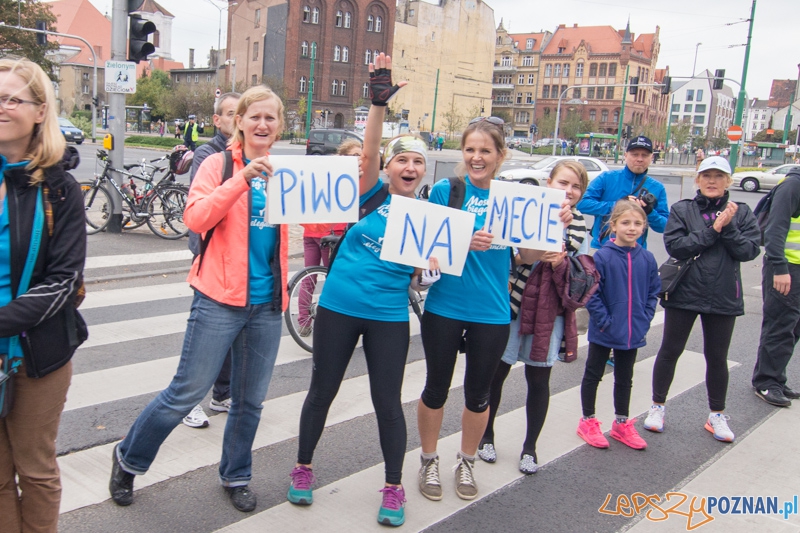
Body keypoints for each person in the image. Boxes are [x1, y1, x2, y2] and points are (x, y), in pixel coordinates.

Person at [109, 86, 289, 513]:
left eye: (271, 118)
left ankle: (236, 475)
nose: (262, 125)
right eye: (254, 117)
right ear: (240, 122)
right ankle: (128, 460)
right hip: (218, 299)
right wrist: (240, 180)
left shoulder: (286, 173)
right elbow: (196, 218)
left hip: (266, 305)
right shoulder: (217, 163)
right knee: (185, 393)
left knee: (249, 401)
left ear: (280, 126)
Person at [286, 53, 437, 527]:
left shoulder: (433, 219)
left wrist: (428, 269)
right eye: (402, 160)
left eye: (417, 161)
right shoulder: (371, 195)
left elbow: (421, 279)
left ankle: (393, 487)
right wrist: (378, 105)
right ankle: (304, 467)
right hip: (339, 306)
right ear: (390, 169)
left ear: (423, 172)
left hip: (389, 316)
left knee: (387, 404)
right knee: (322, 392)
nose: (409, 167)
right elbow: (368, 151)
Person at [415, 115, 573, 502]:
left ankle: (466, 460)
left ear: (501, 155)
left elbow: (526, 256)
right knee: (435, 389)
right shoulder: (445, 190)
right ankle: (429, 459)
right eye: (470, 149)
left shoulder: (514, 198)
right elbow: (424, 250)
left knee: (478, 395)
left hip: (492, 311)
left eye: (485, 150)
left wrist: (554, 227)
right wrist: (463, 241)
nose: (476, 157)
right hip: (445, 306)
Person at [0, 58, 87, 533]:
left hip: (38, 354)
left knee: (34, 472)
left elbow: (62, 283)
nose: (2, 107)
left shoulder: (60, 187)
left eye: (12, 99)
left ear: (39, 111)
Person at [478, 160, 592, 475]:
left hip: (548, 311)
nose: (568, 191)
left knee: (539, 379)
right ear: (549, 183)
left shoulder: (580, 223)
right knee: (496, 373)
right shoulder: (526, 209)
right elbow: (509, 256)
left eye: (576, 186)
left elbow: (583, 273)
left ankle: (530, 447)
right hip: (512, 304)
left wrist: (561, 256)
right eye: (563, 183)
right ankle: (485, 435)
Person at [644, 156, 760, 442]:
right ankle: (657, 406)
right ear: (697, 180)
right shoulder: (683, 209)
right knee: (670, 350)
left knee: (717, 357)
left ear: (728, 182)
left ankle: (716, 414)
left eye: (718, 176)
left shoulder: (742, 212)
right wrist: (714, 230)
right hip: (685, 291)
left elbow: (749, 251)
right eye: (706, 175)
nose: (712, 181)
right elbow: (677, 246)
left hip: (723, 295)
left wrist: (729, 226)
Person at [577, 200, 660, 451]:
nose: (631, 228)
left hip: (633, 330)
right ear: (613, 225)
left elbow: (653, 293)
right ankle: (588, 420)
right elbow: (592, 293)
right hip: (605, 330)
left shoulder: (647, 258)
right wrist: (605, 321)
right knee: (593, 374)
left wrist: (644, 319)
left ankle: (621, 423)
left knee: (625, 378)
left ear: (644, 227)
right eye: (625, 223)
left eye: (637, 223)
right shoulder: (602, 256)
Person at [182, 91, 241, 429]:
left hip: (236, 259)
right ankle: (189, 401)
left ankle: (221, 394)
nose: (237, 119)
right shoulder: (209, 155)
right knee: (203, 337)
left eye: (241, 112)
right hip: (209, 255)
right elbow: (202, 210)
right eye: (231, 113)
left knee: (230, 336)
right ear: (217, 120)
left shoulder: (249, 156)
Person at [295, 140, 356, 336]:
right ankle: (334, 322)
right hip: (330, 234)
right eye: (354, 156)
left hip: (310, 231)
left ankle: (303, 321)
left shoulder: (324, 172)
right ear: (344, 158)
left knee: (309, 277)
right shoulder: (345, 178)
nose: (358, 160)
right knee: (334, 278)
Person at [752, 167, 800, 407]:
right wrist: (780, 268)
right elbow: (775, 229)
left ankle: (776, 378)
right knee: (780, 326)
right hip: (786, 268)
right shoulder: (793, 185)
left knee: (793, 328)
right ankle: (767, 382)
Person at [578, 135, 669, 250]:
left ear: (651, 158)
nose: (639, 159)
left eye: (644, 155)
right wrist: (617, 205)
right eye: (635, 154)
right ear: (626, 155)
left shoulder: (657, 188)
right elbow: (581, 203)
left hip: (636, 251)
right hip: (603, 248)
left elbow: (665, 226)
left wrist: (649, 212)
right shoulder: (606, 178)